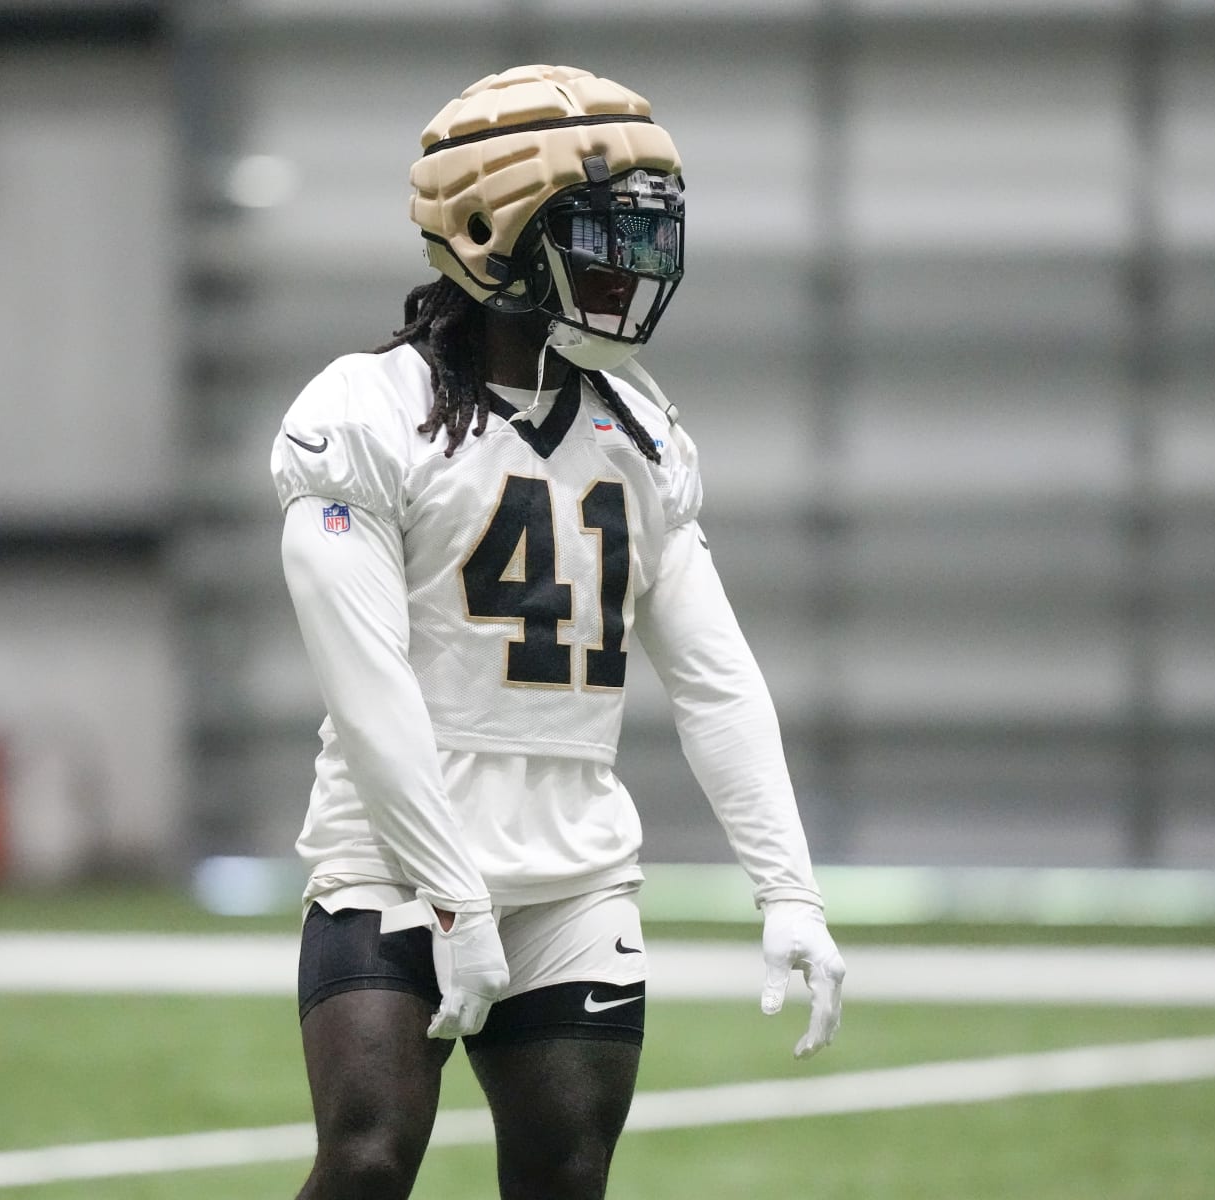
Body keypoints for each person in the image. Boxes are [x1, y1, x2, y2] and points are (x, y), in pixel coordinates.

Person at [271, 64, 846, 1200]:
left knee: (566, 1173)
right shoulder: (367, 414)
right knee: (370, 1155)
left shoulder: (638, 427)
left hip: (575, 865)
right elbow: (367, 687)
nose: (632, 266)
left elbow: (715, 679)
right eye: (598, 232)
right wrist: (455, 896)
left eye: (645, 235)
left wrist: (791, 891)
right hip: (394, 850)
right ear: (492, 232)